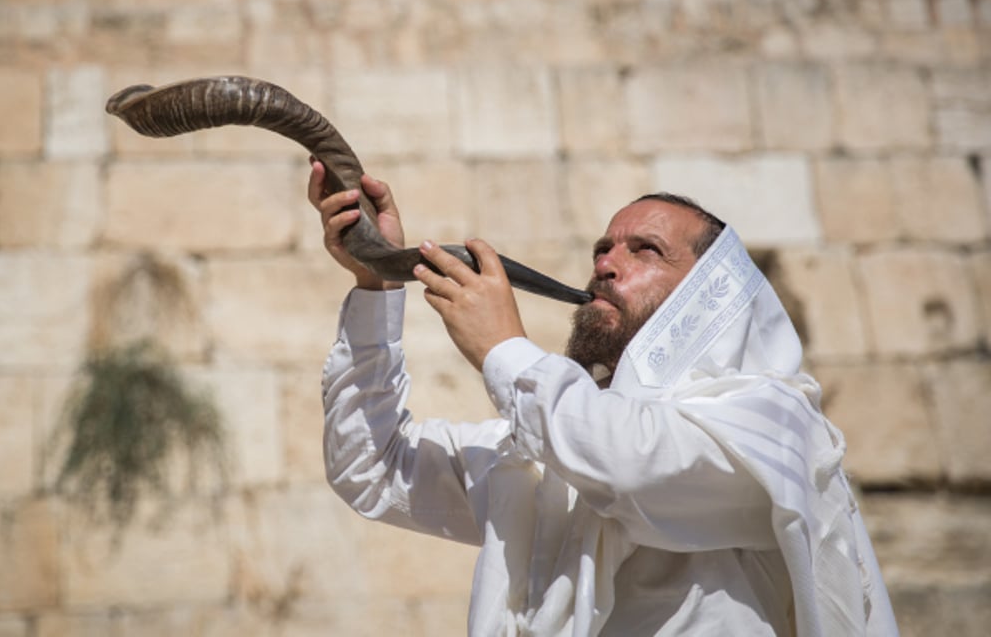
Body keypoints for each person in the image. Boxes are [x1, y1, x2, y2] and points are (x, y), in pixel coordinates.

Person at [308, 161, 898, 637]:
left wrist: (504, 349)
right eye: (602, 249)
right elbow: (374, 467)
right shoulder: (548, 446)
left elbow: (631, 465)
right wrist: (378, 283)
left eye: (645, 251)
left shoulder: (769, 427)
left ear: (707, 298)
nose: (605, 266)